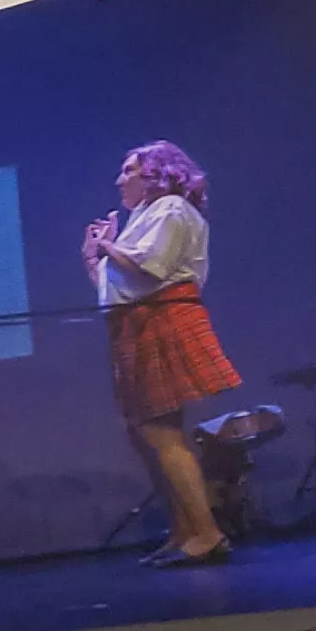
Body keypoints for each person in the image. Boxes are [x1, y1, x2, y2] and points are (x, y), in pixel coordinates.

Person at [87, 140, 242, 568]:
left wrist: (109, 248)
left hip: (163, 318)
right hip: (139, 322)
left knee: (162, 435)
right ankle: (185, 528)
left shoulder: (171, 208)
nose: (120, 179)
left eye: (129, 169)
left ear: (156, 173)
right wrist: (95, 256)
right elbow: (119, 284)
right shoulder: (146, 215)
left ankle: (207, 532)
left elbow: (149, 267)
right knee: (151, 435)